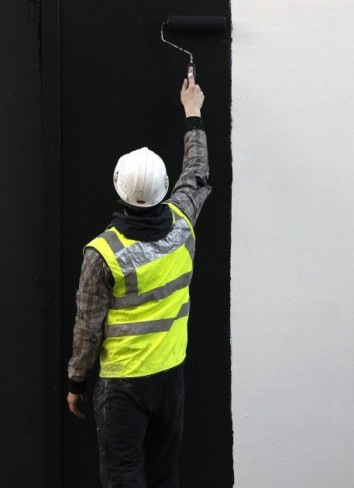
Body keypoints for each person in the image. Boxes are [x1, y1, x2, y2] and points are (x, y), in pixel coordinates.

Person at [66, 67, 209, 487]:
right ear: (166, 188)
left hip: (123, 386)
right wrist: (193, 113)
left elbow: (87, 330)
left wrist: (77, 381)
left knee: (123, 477)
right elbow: (197, 172)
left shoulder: (103, 253)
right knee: (165, 476)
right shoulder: (184, 222)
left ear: (118, 191)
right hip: (170, 376)